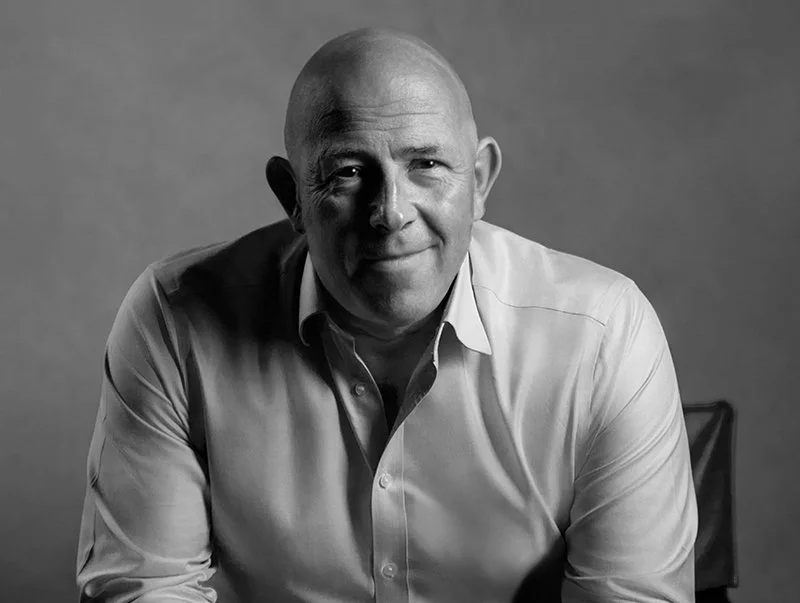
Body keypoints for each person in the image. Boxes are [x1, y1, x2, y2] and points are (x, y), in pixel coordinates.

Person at [77, 27, 697, 602]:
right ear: (292, 196)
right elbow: (146, 589)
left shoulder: (602, 335)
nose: (391, 212)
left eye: (426, 164)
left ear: (479, 180)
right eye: (348, 172)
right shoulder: (175, 318)